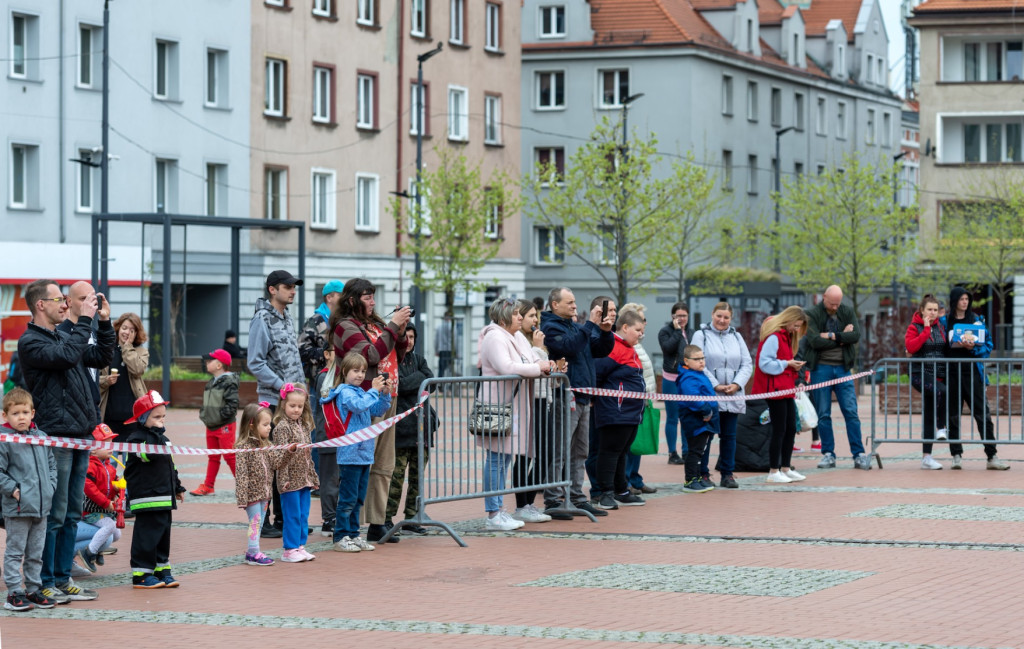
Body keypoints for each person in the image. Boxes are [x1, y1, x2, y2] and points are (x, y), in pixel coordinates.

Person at [18, 279, 113, 604]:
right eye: (58, 299)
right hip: (56, 436)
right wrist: (82, 319)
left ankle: (62, 579)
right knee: (56, 514)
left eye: (65, 298)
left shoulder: (63, 336)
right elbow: (66, 355)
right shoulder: (31, 342)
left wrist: (103, 323)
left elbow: (99, 356)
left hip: (80, 435)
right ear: (40, 304)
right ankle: (45, 581)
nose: (64, 304)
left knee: (72, 512)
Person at [330, 278, 410, 544]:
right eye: (367, 297)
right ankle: (350, 528)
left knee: (384, 463)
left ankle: (378, 520)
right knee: (361, 461)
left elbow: (398, 350)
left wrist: (400, 331)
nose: (373, 302)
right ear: (352, 300)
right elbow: (372, 356)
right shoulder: (345, 326)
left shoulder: (374, 322)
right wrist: (393, 326)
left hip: (387, 395)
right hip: (364, 398)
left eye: (373, 296)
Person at [477, 298, 554, 530]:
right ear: (504, 317)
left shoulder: (517, 336)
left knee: (505, 459)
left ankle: (500, 509)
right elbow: (506, 367)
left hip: (514, 406)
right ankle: (493, 513)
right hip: (497, 407)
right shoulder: (494, 336)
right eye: (517, 314)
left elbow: (530, 361)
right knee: (496, 459)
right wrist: (538, 367)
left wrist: (545, 365)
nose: (521, 317)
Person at [540, 287, 614, 518]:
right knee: (560, 448)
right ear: (555, 304)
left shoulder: (575, 327)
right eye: (570, 302)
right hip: (565, 395)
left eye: (574, 302)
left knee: (580, 450)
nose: (574, 306)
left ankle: (577, 498)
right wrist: (590, 326)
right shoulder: (550, 327)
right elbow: (568, 347)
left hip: (582, 397)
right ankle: (553, 499)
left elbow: (600, 349)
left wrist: (605, 331)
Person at [247, 269, 305, 539]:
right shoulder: (262, 318)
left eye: (294, 286)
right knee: (268, 462)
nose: (292, 290)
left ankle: (283, 519)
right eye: (287, 286)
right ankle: (265, 520)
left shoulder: (287, 316)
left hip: (292, 403)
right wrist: (281, 386)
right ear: (272, 289)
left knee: (287, 459)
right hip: (272, 402)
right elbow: (255, 362)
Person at [323, 353, 392, 552]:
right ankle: (341, 536)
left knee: (359, 498)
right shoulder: (345, 392)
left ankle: (353, 534)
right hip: (350, 453)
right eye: (355, 370)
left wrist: (384, 394)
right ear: (344, 371)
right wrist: (373, 391)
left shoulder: (362, 392)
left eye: (363, 371)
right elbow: (358, 405)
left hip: (364, 453)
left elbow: (376, 410)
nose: (360, 375)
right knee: (347, 498)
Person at [0, 388, 58, 611]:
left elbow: (52, 465)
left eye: (25, 412)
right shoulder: (4, 440)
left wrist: (50, 487)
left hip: (42, 506)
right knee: (15, 552)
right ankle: (14, 592)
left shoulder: (41, 437)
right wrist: (14, 489)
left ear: (33, 413)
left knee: (36, 553)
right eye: (15, 413)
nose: (21, 417)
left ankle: (33, 590)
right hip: (18, 507)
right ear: (6, 416)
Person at [123, 390, 186, 588]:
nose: (161, 422)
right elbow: (150, 455)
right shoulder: (136, 439)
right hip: (147, 497)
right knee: (147, 535)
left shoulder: (163, 440)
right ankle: (141, 574)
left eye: (163, 417)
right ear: (142, 419)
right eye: (156, 417)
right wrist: (156, 434)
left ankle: (161, 569)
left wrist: (177, 486)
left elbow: (171, 466)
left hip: (165, 496)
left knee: (163, 535)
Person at [805, 285, 871, 471]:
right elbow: (814, 341)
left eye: (838, 304)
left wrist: (831, 335)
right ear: (823, 297)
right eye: (832, 303)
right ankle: (828, 453)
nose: (835, 307)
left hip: (843, 369)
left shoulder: (847, 311)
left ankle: (858, 454)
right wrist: (842, 336)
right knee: (823, 413)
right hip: (821, 369)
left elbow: (855, 336)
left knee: (851, 411)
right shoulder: (812, 314)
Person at [943, 286, 1008, 470]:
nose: (965, 302)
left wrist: (973, 349)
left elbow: (988, 346)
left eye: (967, 299)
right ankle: (956, 455)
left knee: (983, 416)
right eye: (961, 299)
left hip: (973, 374)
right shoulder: (944, 321)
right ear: (954, 300)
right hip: (952, 374)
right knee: (953, 416)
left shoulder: (977, 320)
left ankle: (991, 456)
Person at [691, 302, 753, 489]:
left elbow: (747, 363)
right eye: (719, 316)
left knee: (729, 436)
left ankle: (727, 473)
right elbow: (697, 362)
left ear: (730, 318)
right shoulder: (700, 335)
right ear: (712, 314)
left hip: (732, 395)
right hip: (710, 394)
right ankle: (703, 473)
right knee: (707, 436)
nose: (722, 320)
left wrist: (736, 384)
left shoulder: (737, 336)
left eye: (726, 317)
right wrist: (715, 384)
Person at [590, 310, 647, 510]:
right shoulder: (613, 347)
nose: (640, 334)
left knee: (622, 451)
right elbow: (596, 374)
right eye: (637, 330)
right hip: (616, 410)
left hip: (629, 411)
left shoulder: (628, 348)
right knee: (609, 452)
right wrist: (593, 399)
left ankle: (621, 490)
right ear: (624, 327)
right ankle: (605, 493)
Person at [509, 300, 557, 523]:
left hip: (542, 401)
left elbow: (547, 378)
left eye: (535, 316)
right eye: (530, 316)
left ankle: (528, 502)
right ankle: (522, 504)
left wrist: (556, 369)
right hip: (528, 402)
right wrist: (539, 350)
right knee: (523, 455)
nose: (535, 320)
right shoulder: (521, 343)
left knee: (545, 453)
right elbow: (529, 370)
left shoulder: (534, 344)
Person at [387, 325, 435, 534]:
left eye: (412, 337)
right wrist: (417, 380)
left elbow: (430, 382)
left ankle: (412, 518)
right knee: (394, 479)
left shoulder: (418, 360)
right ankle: (386, 519)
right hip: (400, 430)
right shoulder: (391, 360)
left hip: (420, 429)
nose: (409, 340)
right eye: (405, 336)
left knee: (418, 478)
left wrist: (414, 381)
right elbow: (400, 386)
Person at [752, 307, 809, 484]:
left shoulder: (786, 337)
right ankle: (774, 470)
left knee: (791, 427)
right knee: (779, 429)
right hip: (775, 388)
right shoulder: (775, 337)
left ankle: (785, 467)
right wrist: (787, 364)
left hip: (785, 387)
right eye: (796, 325)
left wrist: (790, 365)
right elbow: (764, 363)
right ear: (789, 320)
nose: (797, 330)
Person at [234, 403, 287, 566]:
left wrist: (288, 452)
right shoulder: (243, 448)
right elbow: (241, 474)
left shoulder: (267, 445)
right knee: (255, 522)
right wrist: (242, 498)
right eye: (265, 425)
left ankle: (252, 551)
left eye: (269, 424)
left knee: (260, 522)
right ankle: (254, 552)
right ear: (252, 425)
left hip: (265, 494)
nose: (269, 428)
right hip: (252, 495)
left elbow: (277, 463)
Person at [271, 384, 319, 562]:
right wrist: (283, 479)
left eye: (300, 406)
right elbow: (278, 459)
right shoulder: (282, 427)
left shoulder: (304, 426)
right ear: (284, 404)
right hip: (289, 481)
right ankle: (289, 549)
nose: (296, 409)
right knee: (291, 515)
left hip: (304, 479)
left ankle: (300, 546)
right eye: (292, 406)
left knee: (303, 515)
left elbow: (308, 455)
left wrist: (313, 476)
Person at [905, 295, 950, 470]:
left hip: (937, 374)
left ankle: (927, 457)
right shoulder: (914, 327)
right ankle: (941, 427)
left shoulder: (940, 326)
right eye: (929, 310)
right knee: (942, 391)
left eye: (935, 310)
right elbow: (911, 347)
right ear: (922, 311)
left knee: (930, 412)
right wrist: (925, 330)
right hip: (919, 373)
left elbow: (944, 347)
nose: (933, 313)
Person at [618, 303, 658, 497]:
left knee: (638, 444)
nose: (643, 324)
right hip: (633, 399)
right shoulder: (626, 345)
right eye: (640, 320)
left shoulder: (638, 344)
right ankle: (625, 480)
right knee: (630, 445)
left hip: (644, 397)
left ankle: (634, 478)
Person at [190, 349, 239, 496]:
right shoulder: (211, 382)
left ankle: (246, 485)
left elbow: (232, 405)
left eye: (210, 361)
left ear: (219, 365)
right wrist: (204, 415)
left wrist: (220, 417)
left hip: (224, 426)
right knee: (213, 456)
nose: (207, 363)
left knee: (230, 456)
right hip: (210, 426)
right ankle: (208, 486)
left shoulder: (229, 382)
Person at [76, 426, 123, 573]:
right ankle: (89, 552)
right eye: (105, 444)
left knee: (117, 534)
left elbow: (112, 482)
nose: (110, 447)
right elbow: (89, 487)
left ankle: (97, 550)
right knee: (109, 526)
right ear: (93, 449)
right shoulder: (90, 465)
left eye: (111, 443)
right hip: (90, 510)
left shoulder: (109, 467)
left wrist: (117, 487)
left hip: (103, 509)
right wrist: (105, 502)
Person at [98, 313, 149, 446]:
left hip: (132, 418)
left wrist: (127, 347)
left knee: (130, 461)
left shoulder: (141, 352)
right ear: (118, 328)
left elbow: (137, 370)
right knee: (111, 460)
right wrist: (105, 381)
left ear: (137, 333)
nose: (127, 332)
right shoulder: (107, 350)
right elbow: (94, 378)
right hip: (108, 416)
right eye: (125, 328)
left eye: (132, 330)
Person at [676, 345, 719, 494]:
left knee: (700, 450)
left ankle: (698, 477)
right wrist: (705, 409)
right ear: (687, 361)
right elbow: (693, 398)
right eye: (697, 359)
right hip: (696, 419)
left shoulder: (699, 373)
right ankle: (690, 480)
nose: (701, 361)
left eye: (702, 358)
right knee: (694, 450)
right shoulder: (688, 377)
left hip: (706, 419)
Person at [658, 302, 690, 465]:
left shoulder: (690, 332)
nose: (681, 318)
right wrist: (677, 331)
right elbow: (667, 349)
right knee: (672, 417)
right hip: (671, 379)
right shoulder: (665, 331)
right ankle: (672, 453)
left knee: (686, 416)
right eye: (678, 315)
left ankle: (686, 451)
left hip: (687, 380)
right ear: (673, 316)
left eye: (684, 315)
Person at [313, 344, 339, 537]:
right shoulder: (325, 376)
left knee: (339, 478)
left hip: (342, 435)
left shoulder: (341, 374)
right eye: (335, 350)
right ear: (327, 354)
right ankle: (329, 520)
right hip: (328, 434)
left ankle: (337, 517)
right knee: (329, 479)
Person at [298, 280, 344, 385]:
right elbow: (302, 351)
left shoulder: (344, 320)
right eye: (340, 295)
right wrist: (328, 353)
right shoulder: (315, 321)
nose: (344, 299)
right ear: (329, 298)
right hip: (321, 381)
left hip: (341, 381)